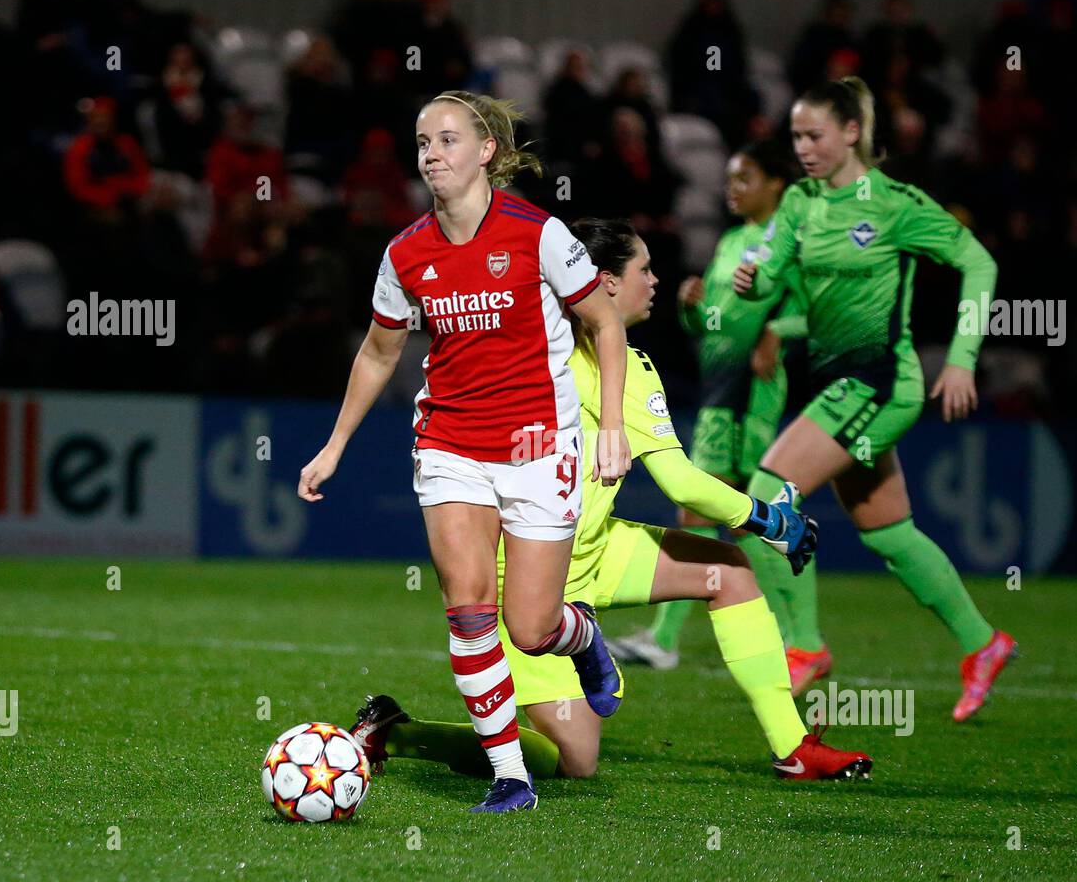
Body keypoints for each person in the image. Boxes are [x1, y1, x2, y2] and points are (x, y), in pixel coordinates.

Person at [347, 219, 870, 783]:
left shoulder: (627, 365)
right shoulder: (541, 361)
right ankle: (396, 732)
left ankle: (792, 747)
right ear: (607, 283)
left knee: (730, 573)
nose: (655, 279)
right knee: (574, 761)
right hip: (522, 577)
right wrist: (769, 519)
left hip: (594, 549)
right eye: (643, 269)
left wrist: (762, 523)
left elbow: (680, 478)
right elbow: (681, 484)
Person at [298, 91, 632, 814]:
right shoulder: (406, 252)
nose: (431, 154)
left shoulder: (537, 234)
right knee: (469, 610)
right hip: (450, 444)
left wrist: (612, 427)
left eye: (447, 140)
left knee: (532, 628)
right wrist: (335, 445)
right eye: (422, 143)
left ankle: (583, 639)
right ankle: (510, 774)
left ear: (485, 152)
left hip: (540, 444)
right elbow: (380, 352)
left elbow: (605, 323)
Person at [733, 77, 1017, 723]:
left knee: (764, 492)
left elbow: (979, 264)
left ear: (852, 133)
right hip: (836, 386)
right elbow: (771, 276)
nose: (801, 148)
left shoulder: (895, 204)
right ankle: (983, 642)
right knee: (889, 534)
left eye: (814, 135)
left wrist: (964, 359)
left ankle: (803, 644)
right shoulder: (801, 203)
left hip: (881, 384)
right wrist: (751, 283)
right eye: (796, 137)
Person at [608, 140, 815, 682]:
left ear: (776, 183)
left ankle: (797, 642)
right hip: (718, 386)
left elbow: (820, 310)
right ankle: (674, 640)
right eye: (729, 178)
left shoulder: (787, 242)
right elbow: (712, 327)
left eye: (744, 177)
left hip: (754, 390)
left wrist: (778, 329)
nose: (732, 188)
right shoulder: (732, 242)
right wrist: (692, 309)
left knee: (745, 513)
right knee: (710, 515)